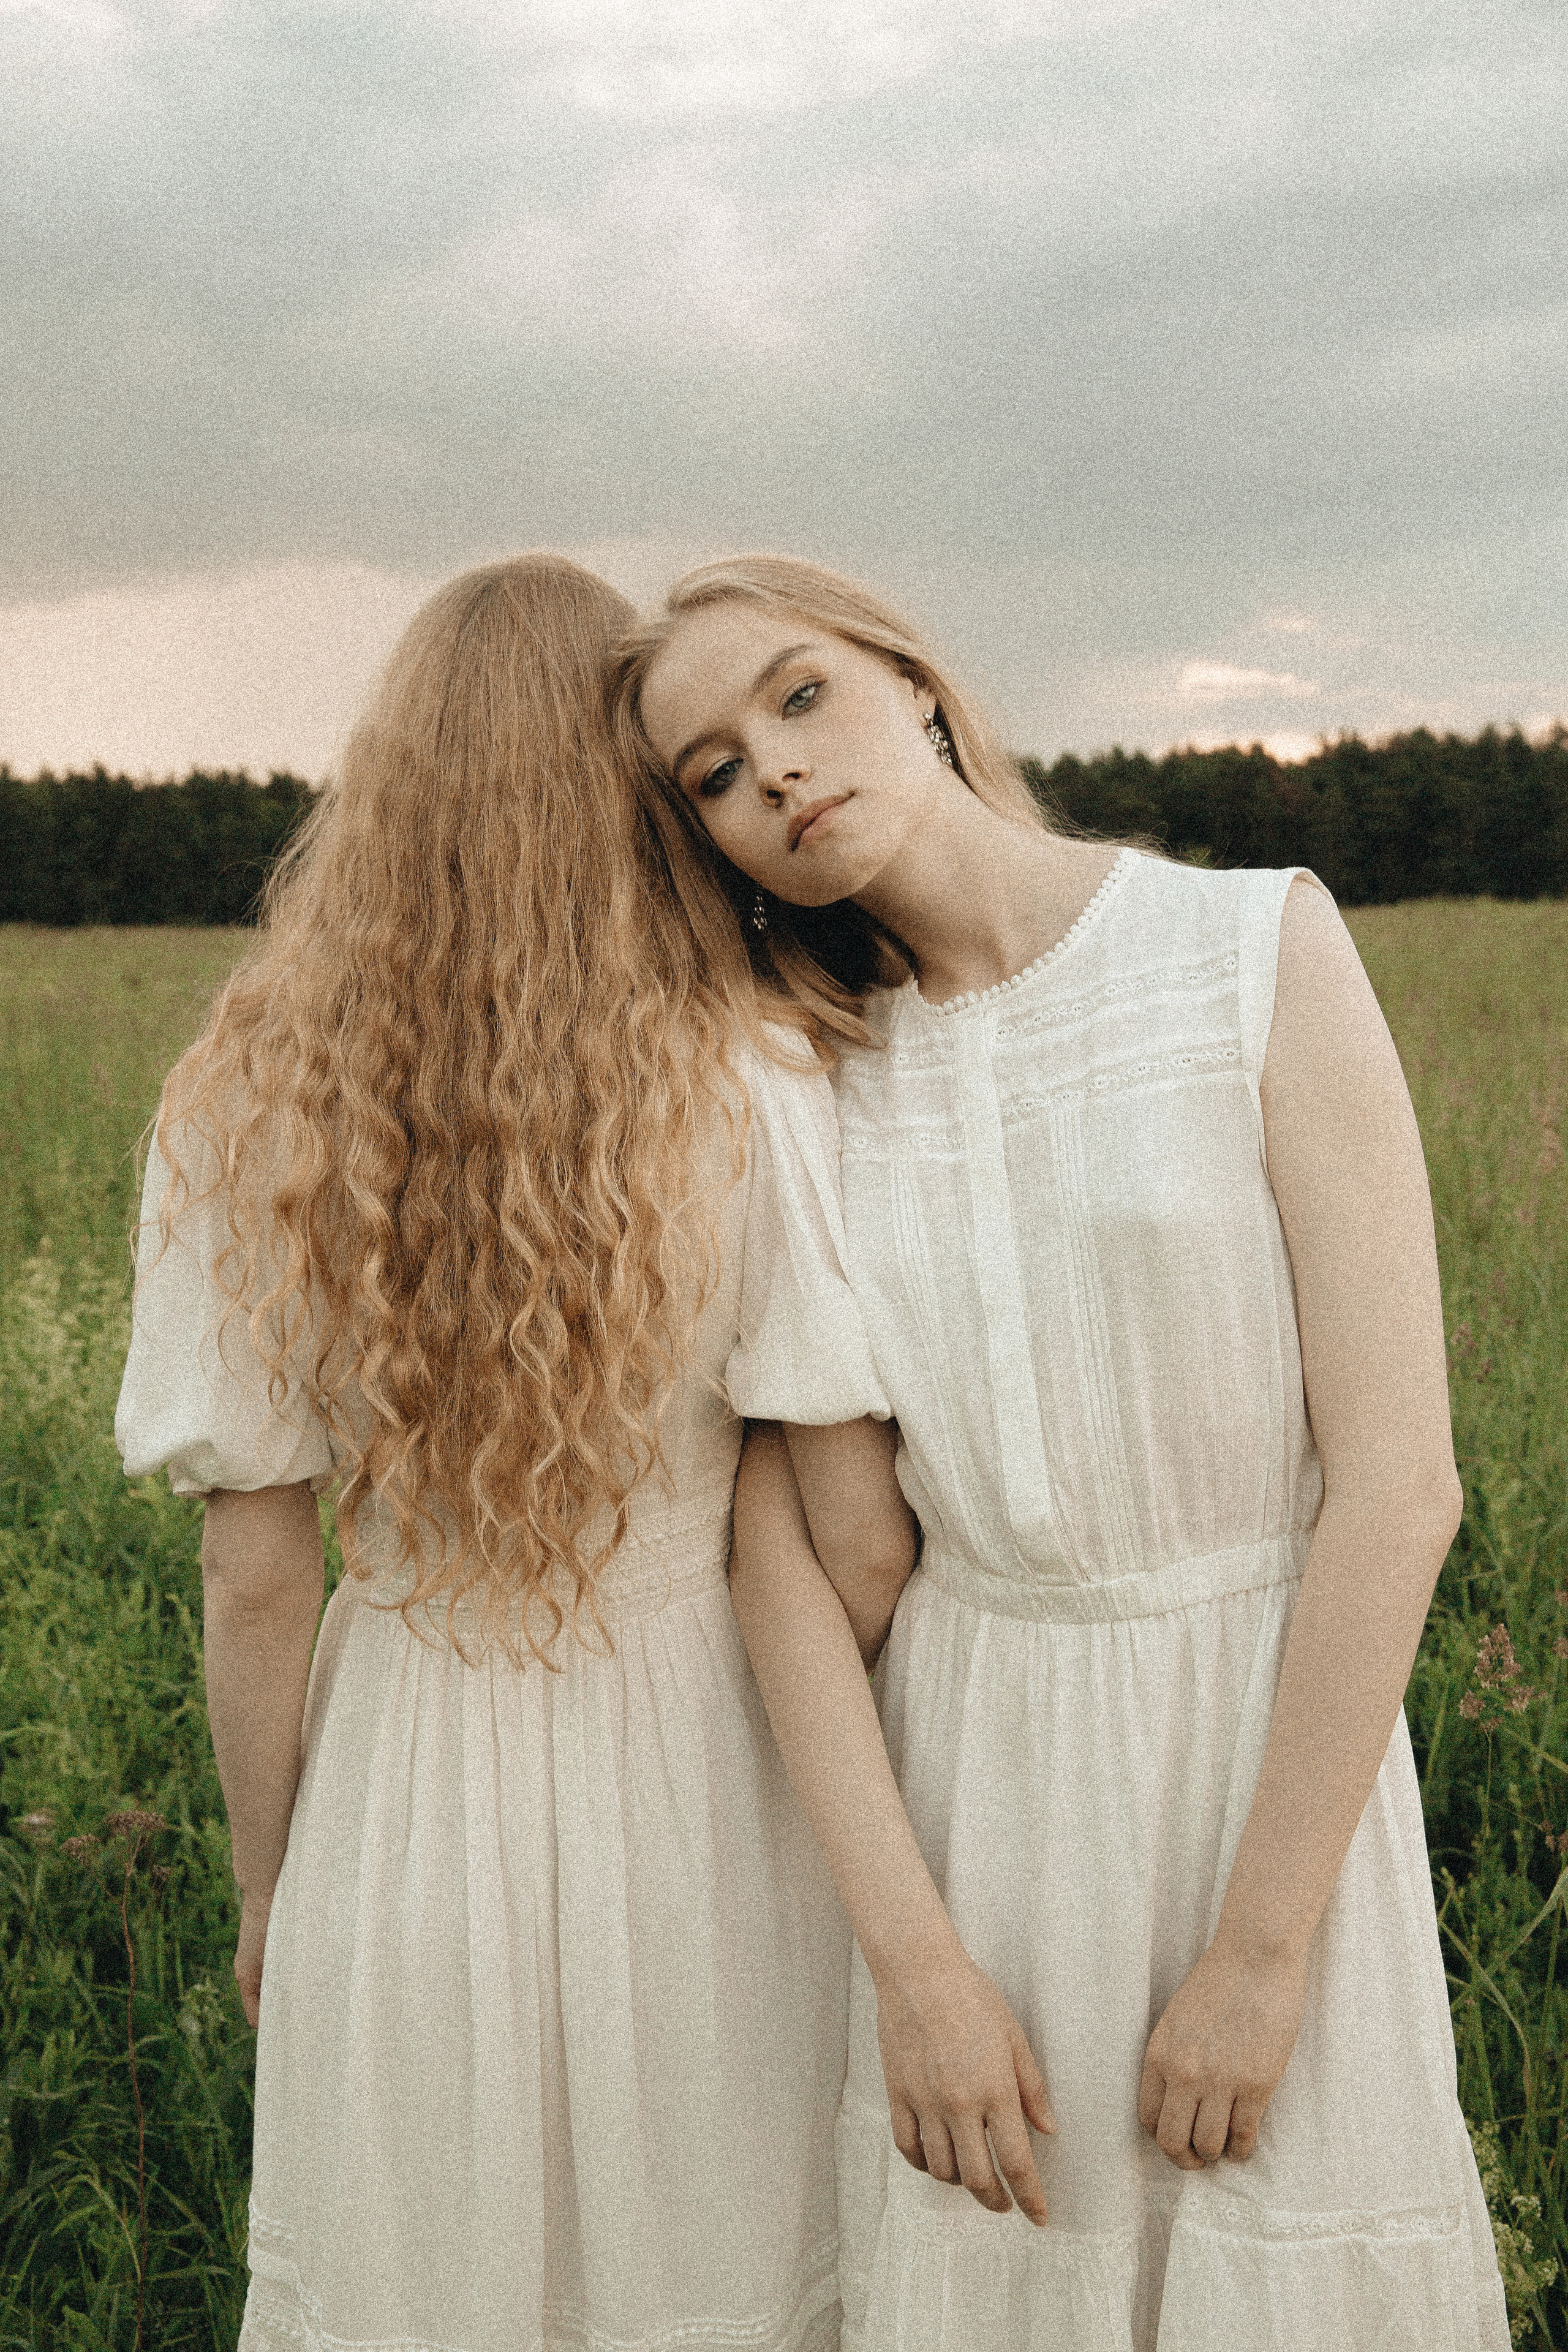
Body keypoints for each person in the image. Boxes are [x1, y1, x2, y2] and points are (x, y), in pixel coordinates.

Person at [614, 554, 1511, 2350]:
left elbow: (1400, 1487)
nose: (773, 773)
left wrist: (1263, 1959)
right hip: (977, 1803)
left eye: (796, 698)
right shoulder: (802, 1074)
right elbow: (787, 1560)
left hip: (1265, 1768)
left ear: (916, 684)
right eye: (711, 772)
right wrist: (917, 1969)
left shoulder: (1253, 945)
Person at [114, 554, 918, 2352]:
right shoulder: (761, 1073)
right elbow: (858, 1544)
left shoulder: (245, 1102)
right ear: (633, 796)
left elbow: (256, 1574)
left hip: (401, 1796)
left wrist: (272, 1888)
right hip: (722, 1781)